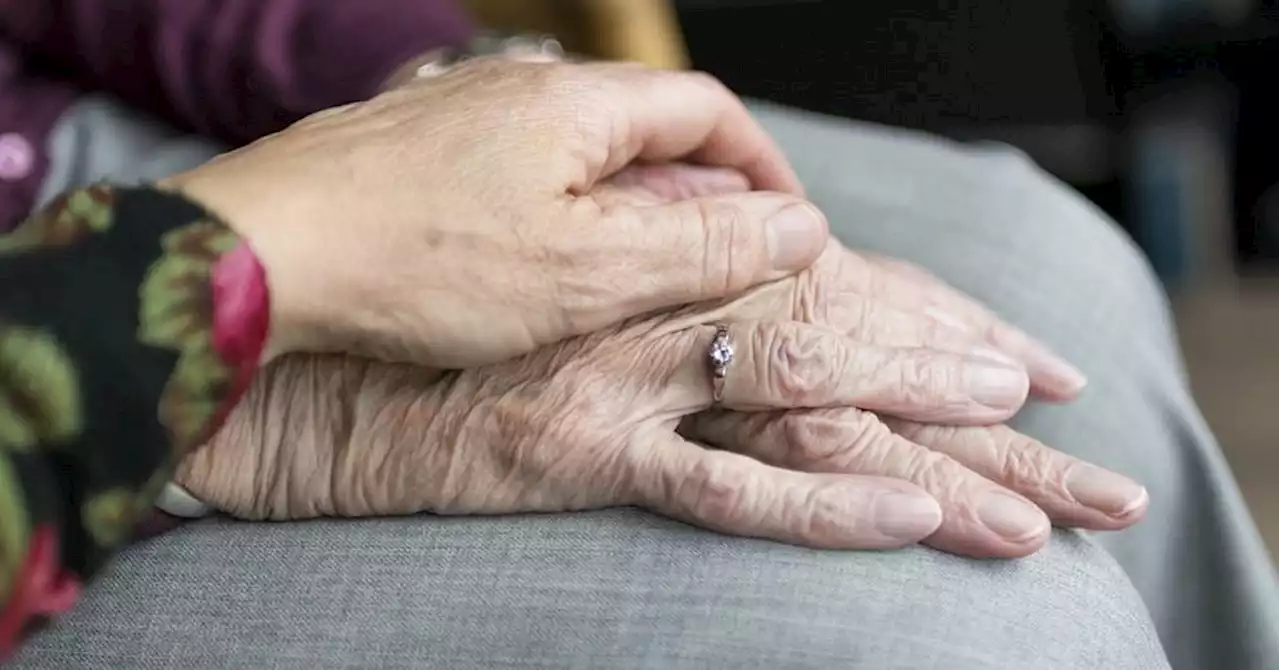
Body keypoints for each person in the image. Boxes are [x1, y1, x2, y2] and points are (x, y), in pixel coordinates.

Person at [0, 3, 1274, 670]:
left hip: (93, 144)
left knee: (1039, 265)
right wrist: (251, 373)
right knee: (979, 618)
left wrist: (448, 97)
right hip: (50, 432)